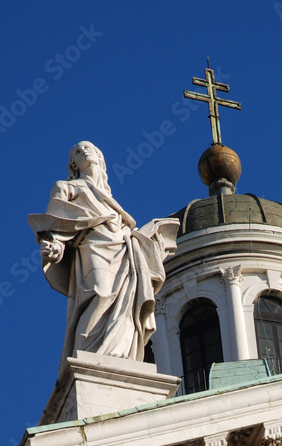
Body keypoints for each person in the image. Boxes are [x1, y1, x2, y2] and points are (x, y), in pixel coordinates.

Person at [28, 141, 177, 372]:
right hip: (92, 246)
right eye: (77, 151)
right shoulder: (66, 188)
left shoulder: (111, 200)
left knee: (126, 302)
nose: (83, 151)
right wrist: (55, 246)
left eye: (88, 148)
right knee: (100, 292)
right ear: (73, 165)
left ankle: (119, 354)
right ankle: (89, 354)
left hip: (123, 249)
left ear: (99, 157)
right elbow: (56, 222)